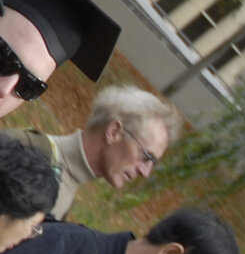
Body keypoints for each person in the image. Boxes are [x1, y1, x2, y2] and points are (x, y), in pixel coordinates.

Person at [20, 84, 183, 219]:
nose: (145, 172)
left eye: (153, 163)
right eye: (146, 156)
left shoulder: (66, 186)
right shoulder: (26, 153)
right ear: (114, 132)